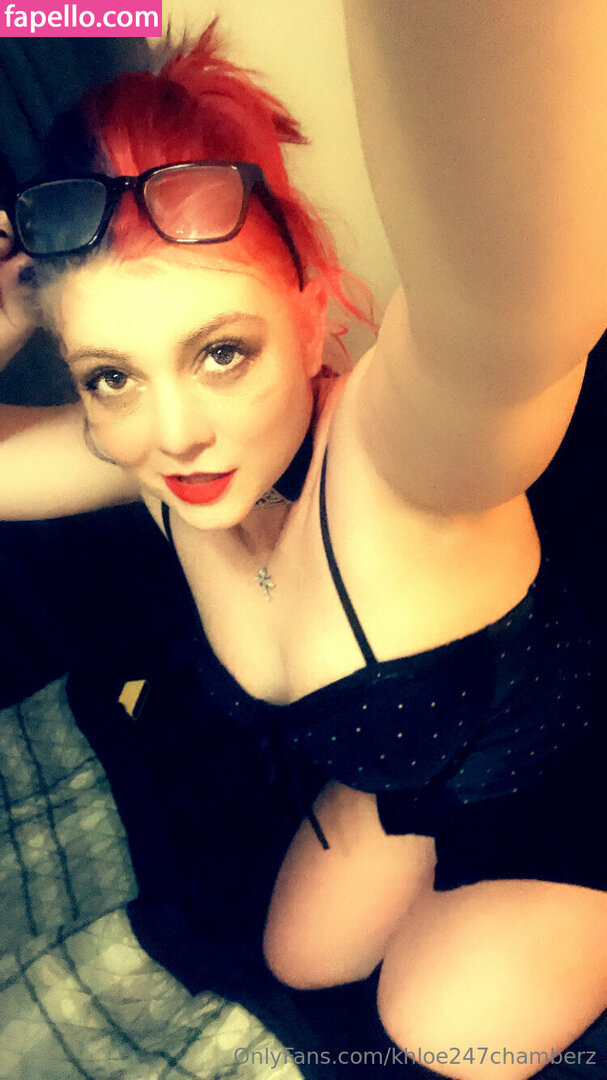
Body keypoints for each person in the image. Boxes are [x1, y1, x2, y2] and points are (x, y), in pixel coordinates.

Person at [1, 8, 607, 1078]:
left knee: (439, 1028)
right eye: (111, 375)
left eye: (221, 353)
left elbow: (519, 297)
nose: (175, 432)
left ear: (311, 310)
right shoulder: (148, 460)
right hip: (404, 786)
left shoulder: (404, 459)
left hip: (564, 788)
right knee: (299, 958)